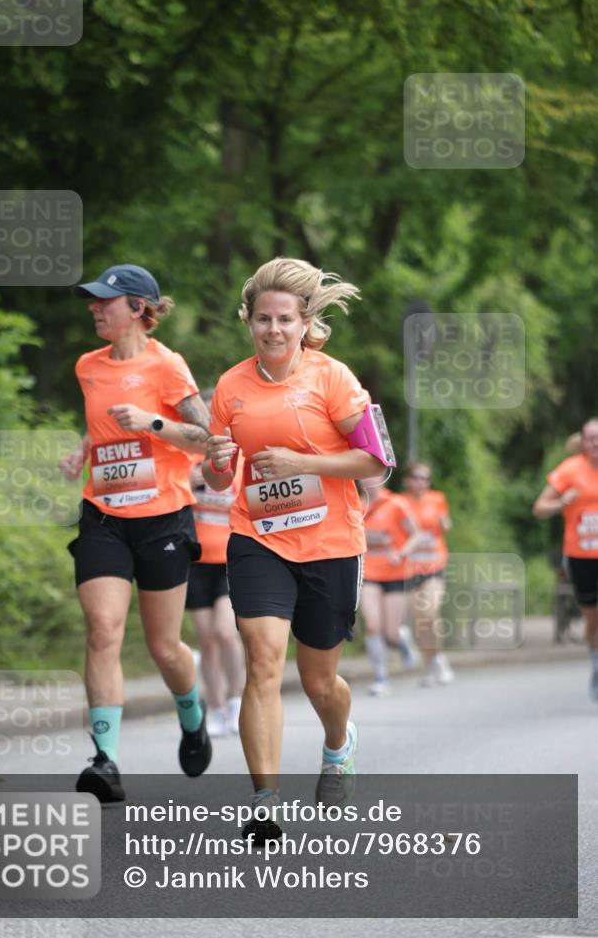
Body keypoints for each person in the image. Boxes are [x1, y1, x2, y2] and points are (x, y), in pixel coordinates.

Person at [202, 257, 386, 843]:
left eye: (285, 319)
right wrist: (214, 463)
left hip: (332, 541)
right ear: (249, 322)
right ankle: (264, 801)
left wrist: (301, 463)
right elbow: (216, 480)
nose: (273, 330)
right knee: (261, 660)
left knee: (318, 682)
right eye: (262, 319)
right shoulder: (231, 386)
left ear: (305, 322)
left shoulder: (333, 378)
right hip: (258, 537)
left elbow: (377, 463)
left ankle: (338, 745)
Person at [59, 264, 212, 802]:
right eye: (93, 301)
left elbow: (205, 438)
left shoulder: (167, 366)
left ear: (139, 310)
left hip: (163, 518)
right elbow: (103, 418)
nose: (95, 308)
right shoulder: (88, 366)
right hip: (103, 515)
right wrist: (86, 446)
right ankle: (105, 761)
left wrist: (151, 422)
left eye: (106, 301)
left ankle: (191, 714)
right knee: (102, 630)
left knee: (164, 646)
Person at [186, 391, 245, 737]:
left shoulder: (237, 460)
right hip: (195, 560)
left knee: (225, 632)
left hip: (230, 559)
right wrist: (185, 484)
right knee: (206, 639)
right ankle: (217, 706)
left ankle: (236, 702)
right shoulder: (187, 461)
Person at [533, 417, 598, 700]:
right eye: (590, 438)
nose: (595, 443)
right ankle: (596, 661)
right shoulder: (570, 470)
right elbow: (539, 508)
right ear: (582, 442)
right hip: (581, 555)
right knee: (593, 621)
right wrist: (561, 502)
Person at [360, 477, 421, 696]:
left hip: (395, 573)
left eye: (372, 475)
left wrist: (402, 552)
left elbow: (416, 534)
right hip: (369, 573)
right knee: (373, 625)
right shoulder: (356, 504)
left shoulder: (396, 504)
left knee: (391, 633)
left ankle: (402, 641)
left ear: (382, 475)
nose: (367, 480)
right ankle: (381, 677)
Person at [402, 462, 455, 687]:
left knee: (430, 612)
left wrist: (444, 522)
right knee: (419, 621)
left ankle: (439, 659)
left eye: (425, 478)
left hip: (434, 565)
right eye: (417, 477)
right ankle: (430, 663)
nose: (421, 482)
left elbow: (447, 523)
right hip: (411, 568)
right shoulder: (400, 503)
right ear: (407, 480)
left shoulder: (437, 499)